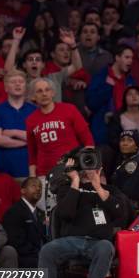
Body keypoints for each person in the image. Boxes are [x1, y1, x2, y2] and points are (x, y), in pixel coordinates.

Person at [38, 156, 127, 278]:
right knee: (47, 250)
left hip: (97, 243)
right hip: (71, 241)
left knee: (106, 247)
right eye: (85, 164)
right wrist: (75, 181)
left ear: (100, 169)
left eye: (91, 164)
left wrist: (97, 186)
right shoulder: (67, 189)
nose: (88, 168)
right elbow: (64, 214)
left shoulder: (111, 190)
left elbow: (120, 213)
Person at [25, 77, 94, 211]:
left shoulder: (69, 110)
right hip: (45, 175)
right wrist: (33, 179)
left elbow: (88, 141)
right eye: (39, 91)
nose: (44, 94)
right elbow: (32, 154)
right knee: (52, 215)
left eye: (47, 90)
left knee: (76, 210)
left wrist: (88, 167)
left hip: (73, 171)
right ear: (33, 96)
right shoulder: (30, 120)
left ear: (53, 93)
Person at [107, 86, 139, 198]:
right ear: (124, 99)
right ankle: (130, 213)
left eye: (137, 93)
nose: (134, 96)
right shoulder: (117, 118)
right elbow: (112, 139)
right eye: (130, 94)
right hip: (124, 160)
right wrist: (125, 144)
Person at [0, 69, 36, 180]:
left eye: (21, 81)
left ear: (26, 87)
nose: (18, 84)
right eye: (13, 82)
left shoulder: (35, 111)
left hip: (31, 171)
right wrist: (26, 142)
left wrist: (12, 132)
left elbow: (38, 138)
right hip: (4, 171)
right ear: (6, 88)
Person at [86, 44, 135, 144]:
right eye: (127, 57)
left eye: (131, 58)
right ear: (117, 58)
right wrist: (107, 87)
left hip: (125, 133)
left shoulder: (130, 81)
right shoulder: (101, 77)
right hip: (103, 132)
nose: (130, 61)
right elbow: (91, 103)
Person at [2, 177, 47, 269]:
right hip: (24, 259)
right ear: (23, 190)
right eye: (33, 186)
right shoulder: (13, 212)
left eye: (40, 187)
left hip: (41, 256)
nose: (38, 189)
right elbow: (15, 242)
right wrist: (40, 254)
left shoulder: (41, 213)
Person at [110, 130, 139, 210]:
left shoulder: (134, 163)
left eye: (130, 140)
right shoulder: (124, 160)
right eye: (122, 140)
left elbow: (127, 191)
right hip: (124, 205)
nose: (125, 143)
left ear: (136, 146)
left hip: (131, 210)